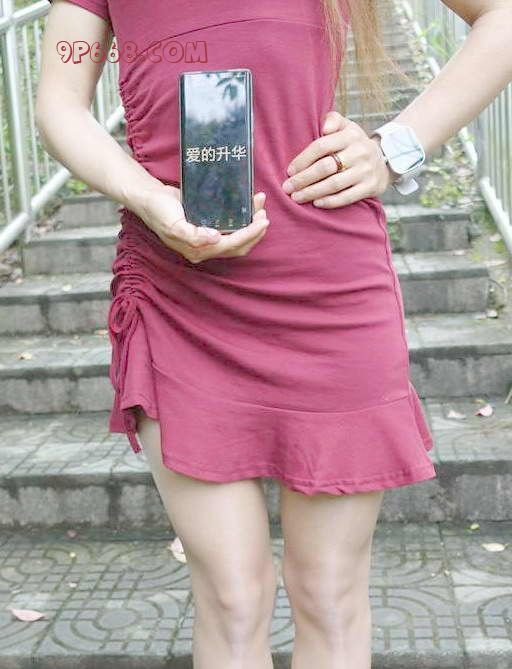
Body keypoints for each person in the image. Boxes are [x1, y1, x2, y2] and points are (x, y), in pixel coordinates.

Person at [36, 1, 512, 667]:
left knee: (328, 591)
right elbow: (60, 100)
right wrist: (148, 198)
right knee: (232, 597)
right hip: (180, 296)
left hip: (331, 293)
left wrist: (395, 148)